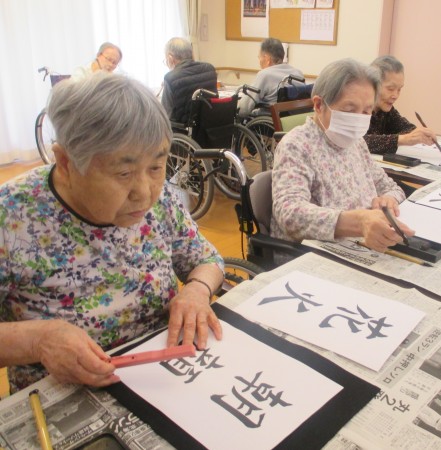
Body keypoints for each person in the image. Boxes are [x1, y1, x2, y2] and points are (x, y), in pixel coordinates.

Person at [0, 72, 224, 393]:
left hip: (162, 378)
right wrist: (37, 341)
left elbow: (206, 259)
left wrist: (196, 290)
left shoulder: (161, 200)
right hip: (65, 392)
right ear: (65, 162)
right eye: (123, 173)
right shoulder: (11, 216)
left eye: (156, 167)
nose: (144, 193)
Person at [271, 58, 413, 254]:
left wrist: (389, 199)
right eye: (349, 110)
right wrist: (359, 222)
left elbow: (390, 187)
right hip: (314, 253)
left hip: (362, 245)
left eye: (366, 111)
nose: (358, 119)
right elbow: (290, 214)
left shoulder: (357, 143)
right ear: (319, 105)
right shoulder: (297, 146)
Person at [365, 55, 436, 154]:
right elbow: (358, 142)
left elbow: (405, 128)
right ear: (373, 84)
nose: (395, 95)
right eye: (390, 89)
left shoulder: (386, 111)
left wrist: (419, 133)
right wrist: (403, 139)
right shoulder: (359, 109)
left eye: (399, 89)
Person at [237, 38, 304, 117]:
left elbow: (243, 110)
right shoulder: (298, 73)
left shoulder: (264, 75)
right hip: (293, 120)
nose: (259, 61)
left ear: (267, 59)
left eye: (259, 57)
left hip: (270, 120)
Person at [162, 37, 218, 124]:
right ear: (191, 54)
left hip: (184, 128)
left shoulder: (170, 78)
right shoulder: (209, 69)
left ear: (170, 58)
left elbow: (165, 114)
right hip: (210, 124)